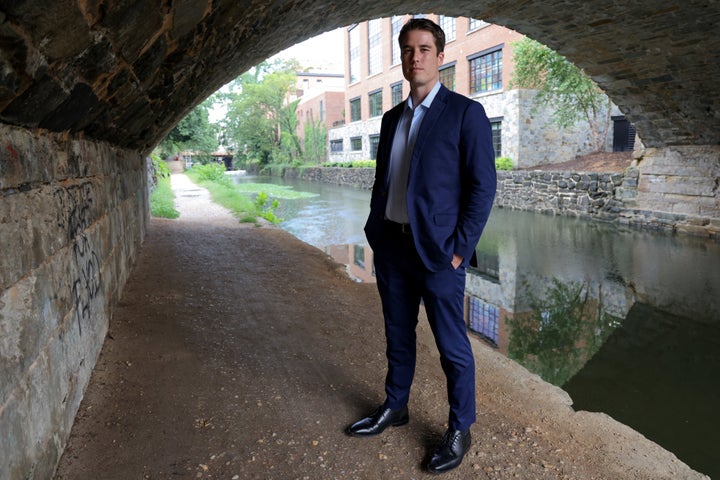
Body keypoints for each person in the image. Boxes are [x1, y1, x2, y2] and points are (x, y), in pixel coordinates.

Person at [345, 18, 497, 474]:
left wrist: (458, 251)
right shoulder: (392, 119)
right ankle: (396, 406)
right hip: (393, 248)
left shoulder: (465, 114)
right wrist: (376, 230)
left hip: (438, 254)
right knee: (397, 335)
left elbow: (483, 188)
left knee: (452, 346)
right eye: (409, 49)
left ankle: (460, 427)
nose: (417, 57)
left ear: (441, 56)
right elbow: (383, 183)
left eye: (425, 49)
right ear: (403, 57)